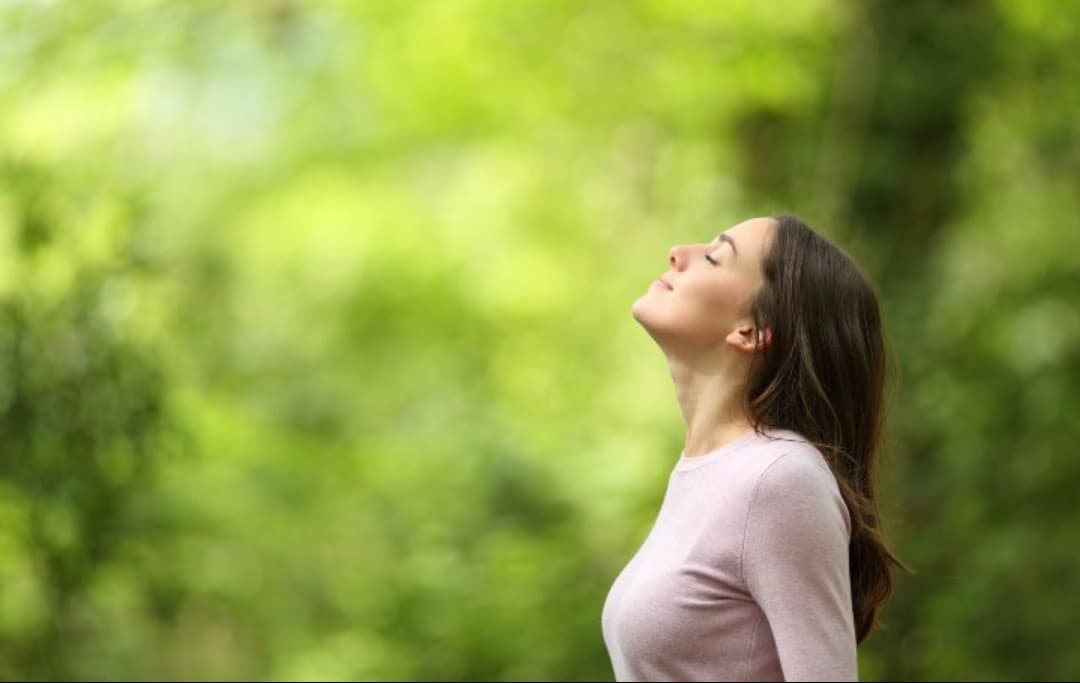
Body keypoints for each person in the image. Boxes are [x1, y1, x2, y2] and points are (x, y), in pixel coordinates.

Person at [601, 215, 908, 682]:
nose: (677, 253)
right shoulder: (709, 473)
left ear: (752, 330)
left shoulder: (779, 478)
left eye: (712, 257)